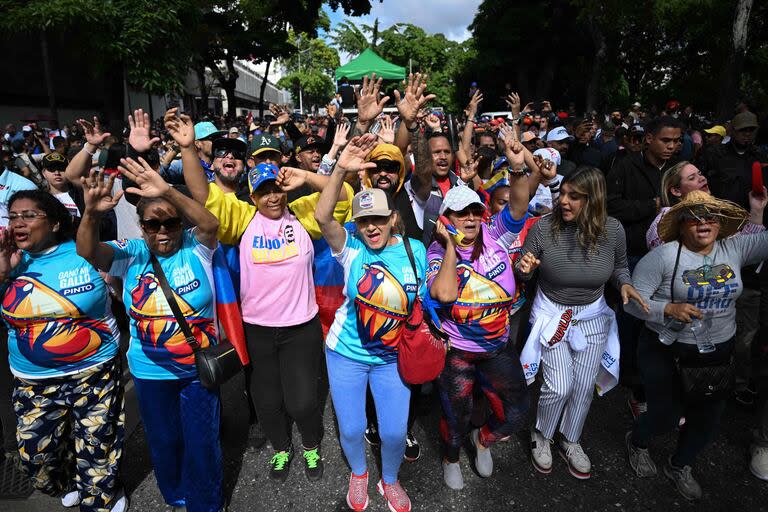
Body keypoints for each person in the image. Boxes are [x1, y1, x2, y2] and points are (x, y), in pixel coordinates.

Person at [77, 158, 224, 512]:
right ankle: (175, 492)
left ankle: (206, 503)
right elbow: (87, 251)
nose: (163, 231)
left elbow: (211, 222)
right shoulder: (132, 254)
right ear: (141, 227)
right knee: (164, 439)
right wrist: (92, 215)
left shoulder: (196, 245)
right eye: (153, 224)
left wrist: (168, 191)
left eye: (171, 222)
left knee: (202, 441)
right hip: (149, 371)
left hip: (196, 371)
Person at [625, 190, 768, 501]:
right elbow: (631, 304)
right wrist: (667, 309)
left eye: (711, 217)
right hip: (667, 349)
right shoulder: (662, 257)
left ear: (720, 224)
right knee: (665, 414)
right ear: (681, 224)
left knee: (708, 417)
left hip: (717, 352)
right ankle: (638, 441)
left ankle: (681, 465)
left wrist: (757, 209)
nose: (704, 222)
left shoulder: (734, 247)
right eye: (695, 217)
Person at [315, 134, 423, 512]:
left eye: (378, 219)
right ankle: (359, 473)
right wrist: (341, 167)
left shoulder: (415, 251)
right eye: (364, 221)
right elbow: (322, 216)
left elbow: (424, 302)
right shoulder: (350, 249)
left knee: (393, 431)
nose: (372, 227)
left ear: (393, 218)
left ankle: (389, 480)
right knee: (350, 428)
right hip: (346, 353)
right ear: (357, 225)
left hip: (393, 358)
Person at [0, 190, 127, 511]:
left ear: (55, 222)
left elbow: (126, 281)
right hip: (33, 383)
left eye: (29, 215)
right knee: (35, 458)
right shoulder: (10, 261)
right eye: (13, 216)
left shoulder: (86, 253)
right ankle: (70, 479)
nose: (19, 223)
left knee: (98, 447)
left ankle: (102, 495)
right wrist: (3, 268)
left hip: (95, 373)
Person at [518, 166, 647, 480]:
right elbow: (523, 272)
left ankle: (571, 439)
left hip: (593, 316)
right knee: (559, 385)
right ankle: (543, 434)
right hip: (552, 315)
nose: (564, 201)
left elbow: (618, 266)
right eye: (563, 193)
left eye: (574, 197)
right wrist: (524, 269)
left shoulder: (613, 229)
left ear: (594, 200)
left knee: (583, 386)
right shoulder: (543, 229)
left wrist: (625, 283)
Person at [607, 115, 683, 418]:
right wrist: (649, 206)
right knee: (634, 315)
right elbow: (611, 206)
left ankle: (658, 381)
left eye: (677, 141)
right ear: (649, 138)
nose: (672, 146)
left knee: (663, 321)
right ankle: (629, 376)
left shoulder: (678, 170)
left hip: (673, 256)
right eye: (666, 140)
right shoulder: (625, 167)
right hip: (636, 255)